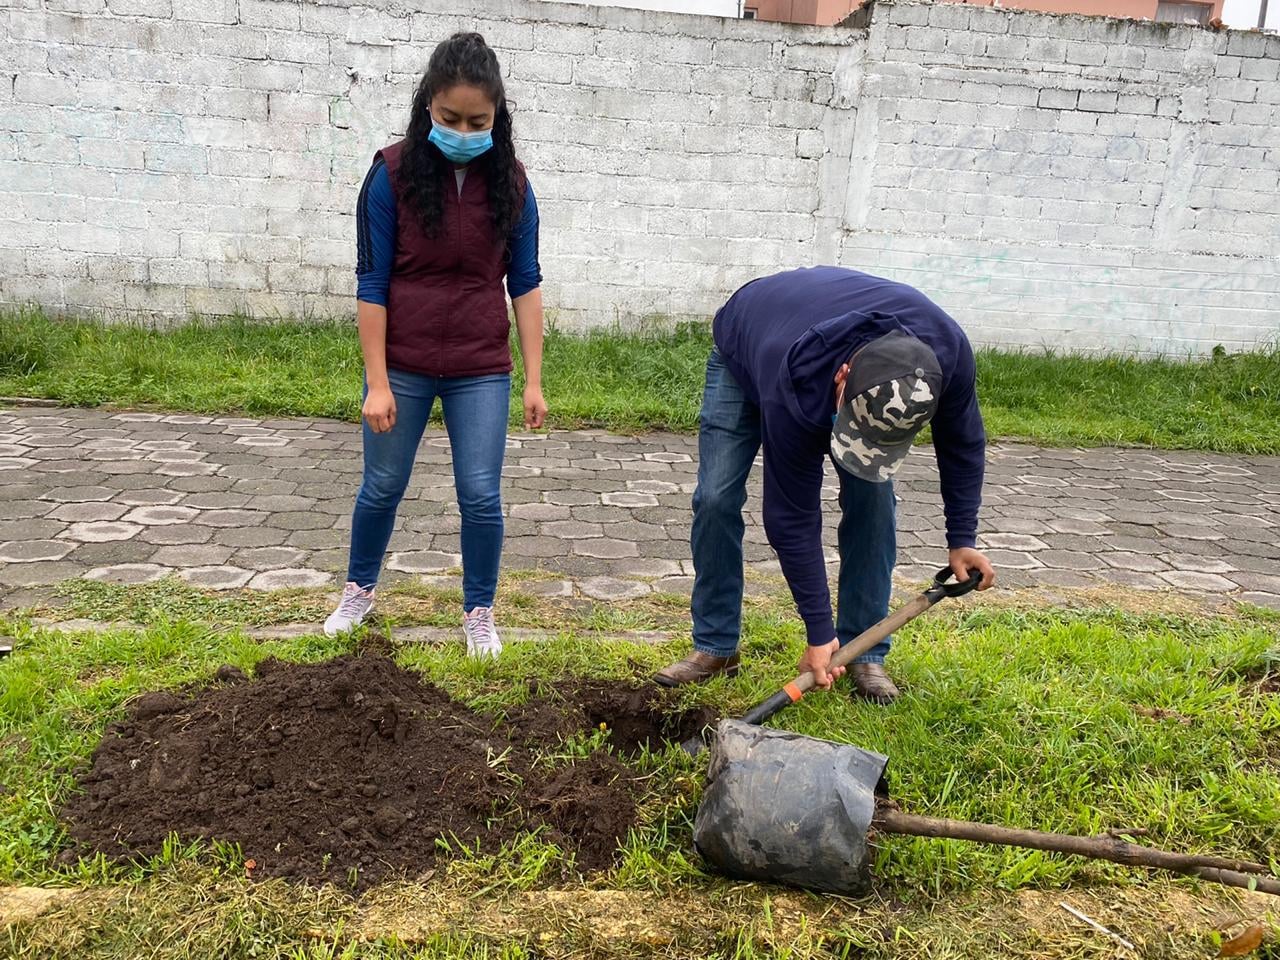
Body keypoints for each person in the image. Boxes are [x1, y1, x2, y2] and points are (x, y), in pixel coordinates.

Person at [654, 266, 996, 701]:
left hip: (812, 320)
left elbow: (963, 444)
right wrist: (818, 631)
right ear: (843, 379)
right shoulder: (794, 378)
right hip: (747, 342)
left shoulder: (946, 356)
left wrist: (961, 538)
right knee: (716, 497)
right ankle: (716, 647)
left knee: (872, 498)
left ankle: (864, 652)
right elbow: (791, 517)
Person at [324, 32, 546, 658]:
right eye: (449, 118)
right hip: (405, 364)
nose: (463, 130)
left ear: (498, 117)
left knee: (480, 494)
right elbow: (372, 282)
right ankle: (358, 593)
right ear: (428, 107)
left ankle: (479, 611)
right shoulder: (390, 175)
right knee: (382, 486)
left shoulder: (514, 185)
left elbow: (525, 284)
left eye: (479, 121)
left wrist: (532, 378)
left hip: (480, 367)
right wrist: (376, 381)